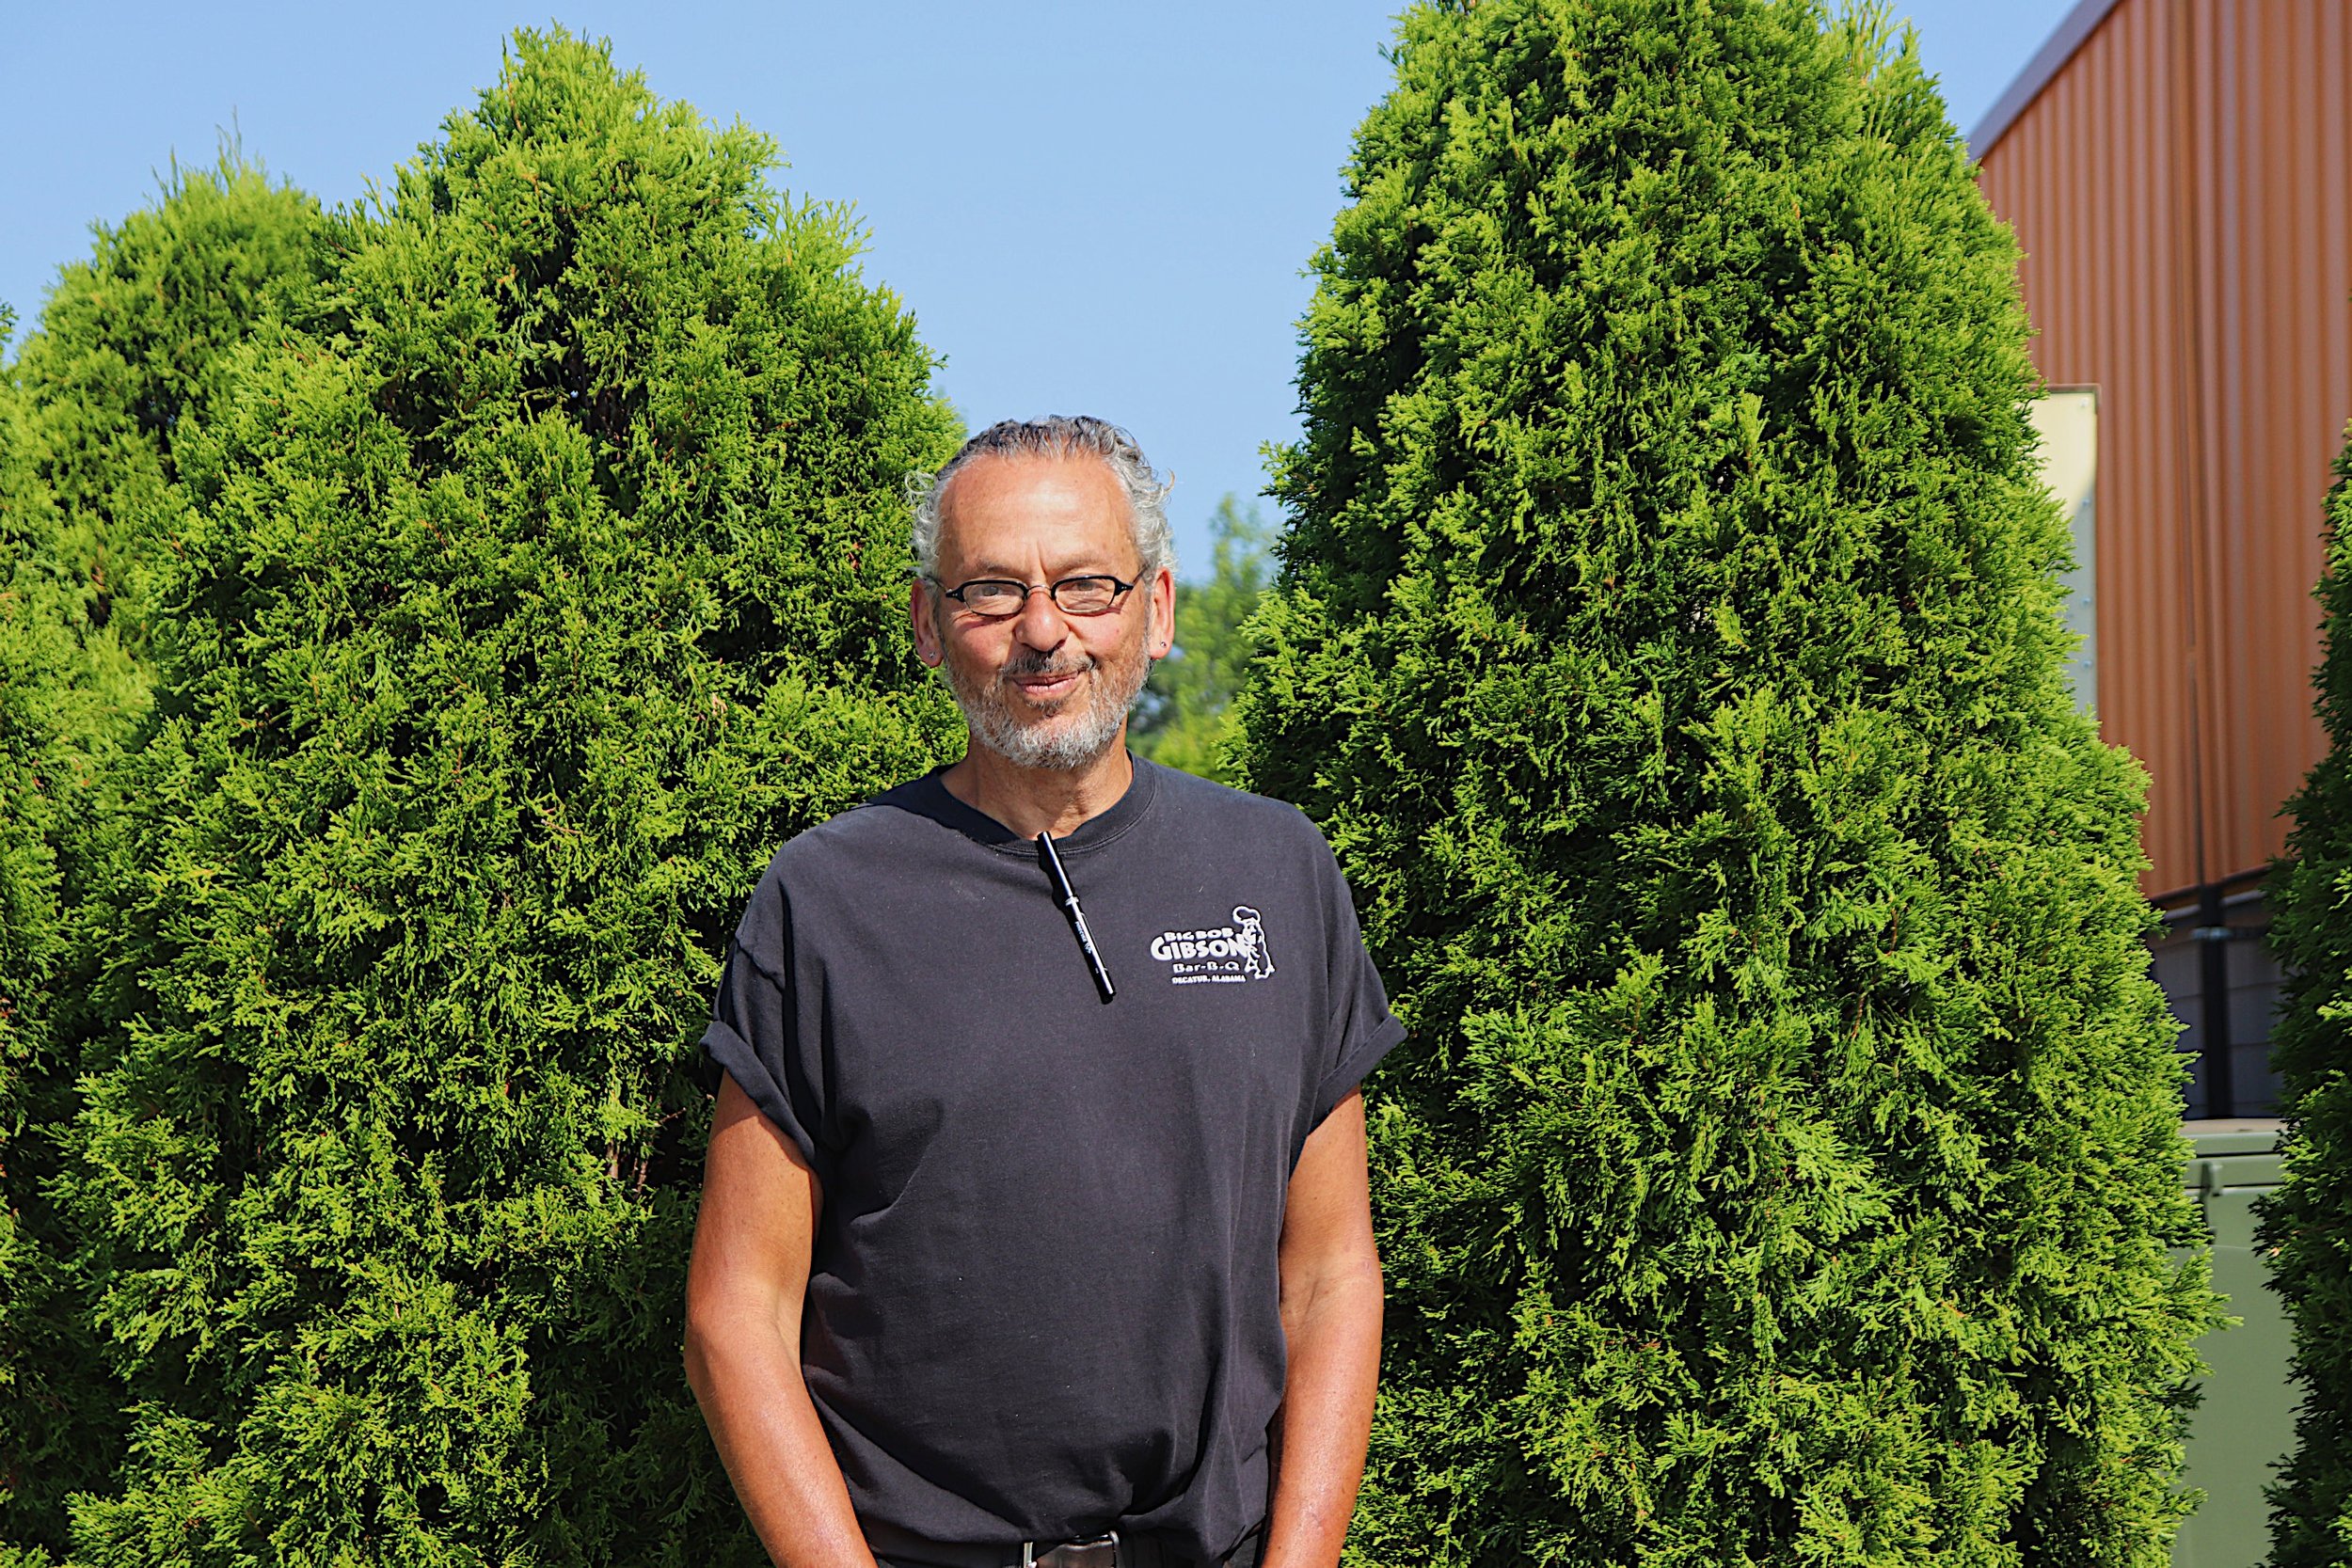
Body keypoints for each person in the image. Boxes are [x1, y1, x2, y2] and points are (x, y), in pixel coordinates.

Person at [684, 417, 1404, 1568]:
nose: (1041, 630)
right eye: (989, 590)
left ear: (1157, 608)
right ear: (928, 622)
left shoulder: (1277, 875)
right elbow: (737, 1312)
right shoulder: (826, 900)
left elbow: (1328, 1273)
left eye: (1086, 584)